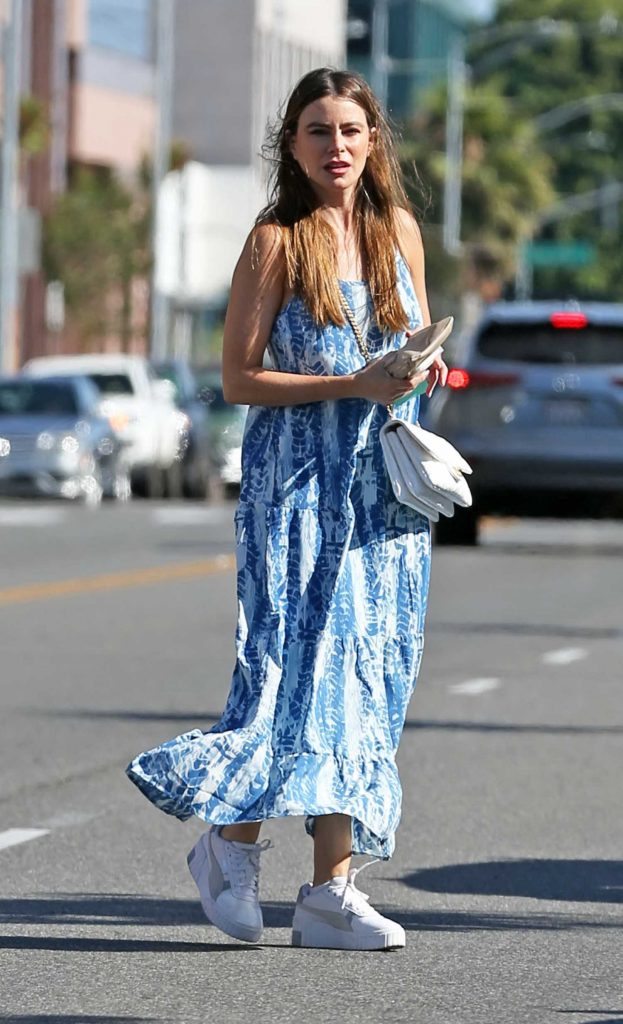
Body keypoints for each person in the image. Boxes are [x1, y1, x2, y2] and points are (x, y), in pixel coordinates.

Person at [126, 67, 447, 952]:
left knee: (365, 684)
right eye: (316, 130)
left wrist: (422, 373)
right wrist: (354, 380)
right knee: (292, 677)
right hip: (296, 491)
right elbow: (237, 378)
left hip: (381, 497)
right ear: (292, 146)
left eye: (349, 129)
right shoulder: (276, 241)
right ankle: (228, 845)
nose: (335, 146)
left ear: (372, 139)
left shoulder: (399, 236)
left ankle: (328, 893)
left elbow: (405, 356)